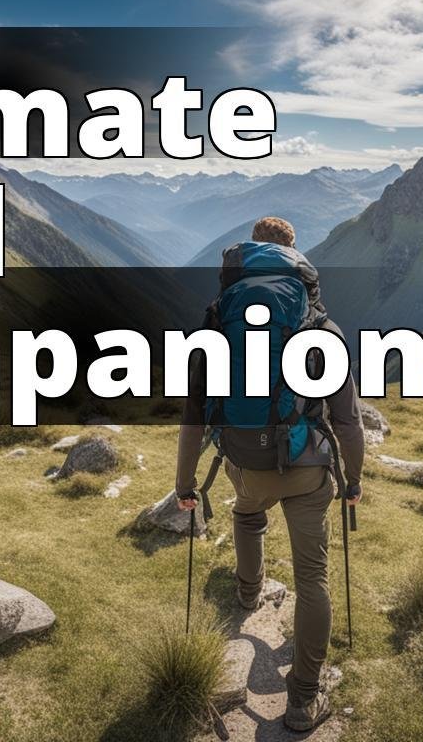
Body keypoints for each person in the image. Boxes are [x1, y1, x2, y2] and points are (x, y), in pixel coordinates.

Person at [174, 216, 365, 732]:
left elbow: (195, 415)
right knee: (313, 578)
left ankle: (247, 591)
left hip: (243, 460)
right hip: (306, 469)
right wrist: (353, 481)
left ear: (249, 254)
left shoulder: (219, 322)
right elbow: (346, 420)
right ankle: (302, 700)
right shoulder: (320, 327)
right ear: (299, 262)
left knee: (247, 511)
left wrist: (184, 484)